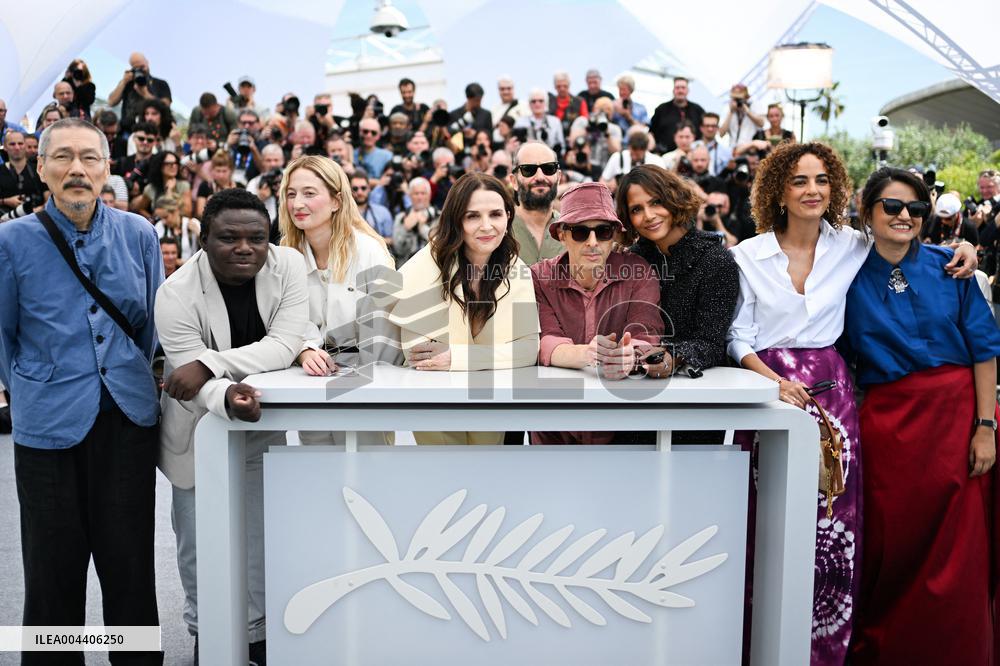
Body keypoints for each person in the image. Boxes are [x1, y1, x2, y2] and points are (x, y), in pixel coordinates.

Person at [726, 141, 979, 664]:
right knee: (761, 515)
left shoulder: (851, 245)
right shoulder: (747, 255)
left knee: (833, 525)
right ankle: (752, 641)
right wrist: (770, 381)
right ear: (778, 190)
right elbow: (738, 335)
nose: (812, 190)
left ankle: (824, 648)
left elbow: (902, 237)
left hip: (833, 395)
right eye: (799, 181)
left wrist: (966, 253)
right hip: (767, 390)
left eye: (821, 180)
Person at [0, 118, 164, 664]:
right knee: (51, 571)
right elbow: (2, 333)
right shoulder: (11, 241)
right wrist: (27, 390)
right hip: (46, 424)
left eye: (89, 158)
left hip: (126, 419)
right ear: (41, 168)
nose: (77, 169)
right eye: (63, 157)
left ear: (107, 168)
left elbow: (150, 325)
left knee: (130, 568)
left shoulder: (138, 233)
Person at [844, 167, 1000, 664]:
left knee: (960, 549)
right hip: (889, 425)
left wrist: (986, 427)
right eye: (891, 206)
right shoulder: (841, 273)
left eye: (914, 209)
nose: (904, 216)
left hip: (960, 419)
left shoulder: (951, 266)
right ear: (868, 212)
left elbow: (983, 350)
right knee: (894, 545)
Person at [156, 188, 306, 665]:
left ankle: (257, 640)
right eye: (229, 238)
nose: (245, 248)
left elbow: (285, 343)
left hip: (260, 424)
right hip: (199, 429)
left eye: (257, 238)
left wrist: (208, 362)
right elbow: (185, 381)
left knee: (260, 539)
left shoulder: (290, 267)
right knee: (199, 546)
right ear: (204, 239)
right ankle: (208, 636)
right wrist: (220, 389)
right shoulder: (175, 293)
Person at [388, 172, 539, 444]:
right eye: (472, 216)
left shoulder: (519, 272)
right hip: (436, 406)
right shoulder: (425, 266)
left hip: (492, 404)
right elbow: (421, 357)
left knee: (485, 475)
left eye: (495, 214)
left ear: (508, 217)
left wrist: (456, 358)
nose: (486, 226)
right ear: (456, 221)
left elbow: (528, 349)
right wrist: (494, 356)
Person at [279, 156, 399, 444]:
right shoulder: (285, 254)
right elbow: (284, 318)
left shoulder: (371, 250)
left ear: (336, 201)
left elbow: (388, 334)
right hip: (310, 381)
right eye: (291, 194)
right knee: (318, 471)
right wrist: (305, 350)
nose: (297, 203)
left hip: (367, 384)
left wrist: (365, 391)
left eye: (309, 193)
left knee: (367, 477)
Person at [531, 182, 663, 444]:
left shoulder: (638, 271)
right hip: (553, 426)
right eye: (580, 232)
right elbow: (543, 340)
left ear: (614, 234)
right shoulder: (539, 276)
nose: (593, 242)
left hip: (621, 428)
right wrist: (587, 354)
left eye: (602, 231)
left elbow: (647, 333)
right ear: (562, 235)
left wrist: (630, 357)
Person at [618, 164, 739, 381]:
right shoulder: (633, 259)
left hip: (702, 385)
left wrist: (670, 358)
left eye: (656, 202)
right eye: (636, 209)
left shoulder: (715, 260)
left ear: (673, 198)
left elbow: (711, 343)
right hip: (636, 382)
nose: (648, 216)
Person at [508, 142, 564, 265]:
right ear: (514, 181)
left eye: (549, 169)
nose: (540, 177)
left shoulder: (574, 231)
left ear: (559, 178)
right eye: (528, 170)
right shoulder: (500, 229)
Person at [107, 52, 172, 133]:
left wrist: (145, 94)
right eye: (136, 68)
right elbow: (111, 102)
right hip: (126, 131)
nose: (140, 71)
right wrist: (123, 82)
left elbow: (166, 107)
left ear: (147, 62)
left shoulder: (161, 84)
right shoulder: (127, 83)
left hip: (150, 133)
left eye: (142, 67)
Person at [650, 76, 705, 152]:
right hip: (665, 154)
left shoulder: (698, 110)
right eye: (677, 88)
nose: (680, 91)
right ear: (673, 90)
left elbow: (704, 132)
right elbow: (652, 132)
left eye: (683, 88)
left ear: (688, 90)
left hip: (693, 155)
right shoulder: (661, 109)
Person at [392, 176, 439, 265]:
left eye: (423, 193)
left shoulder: (440, 216)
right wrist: (406, 229)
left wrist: (422, 227)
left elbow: (439, 246)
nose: (419, 197)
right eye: (416, 193)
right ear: (409, 196)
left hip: (432, 267)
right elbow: (398, 249)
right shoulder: (401, 217)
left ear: (429, 195)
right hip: (406, 267)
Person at [600, 130, 665, 188]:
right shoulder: (618, 157)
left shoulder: (656, 161)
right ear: (629, 146)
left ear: (645, 150)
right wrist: (609, 185)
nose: (634, 157)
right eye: (631, 154)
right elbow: (602, 181)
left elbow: (664, 184)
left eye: (637, 155)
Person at [350, 168, 394, 247]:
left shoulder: (383, 212)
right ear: (349, 191)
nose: (359, 192)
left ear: (369, 189)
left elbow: (391, 240)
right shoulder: (343, 214)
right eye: (355, 189)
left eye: (363, 188)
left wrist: (370, 240)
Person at [513, 89, 565, 154]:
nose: (537, 104)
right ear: (529, 104)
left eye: (541, 101)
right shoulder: (520, 122)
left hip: (550, 158)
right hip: (527, 157)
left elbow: (562, 146)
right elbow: (515, 145)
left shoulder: (555, 121)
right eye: (533, 101)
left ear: (546, 103)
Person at [152, 193, 201, 262]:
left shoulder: (193, 223)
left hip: (192, 268)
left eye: (165, 217)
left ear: (176, 211)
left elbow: (207, 248)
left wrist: (198, 234)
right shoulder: (159, 226)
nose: (163, 221)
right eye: (161, 218)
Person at [142, 150, 191, 215]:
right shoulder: (150, 188)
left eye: (176, 163)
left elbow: (187, 212)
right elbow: (141, 208)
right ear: (159, 166)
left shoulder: (184, 185)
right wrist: (150, 219)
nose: (174, 166)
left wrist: (170, 191)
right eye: (169, 164)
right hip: (158, 224)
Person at [195, 150, 239, 218]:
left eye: (224, 171)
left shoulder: (239, 187)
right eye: (218, 171)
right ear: (212, 170)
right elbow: (200, 213)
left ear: (231, 170)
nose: (221, 175)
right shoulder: (205, 186)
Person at [721, 83, 764, 150]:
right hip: (734, 150)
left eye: (739, 99)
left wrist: (747, 111)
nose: (737, 102)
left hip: (750, 150)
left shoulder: (754, 106)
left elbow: (761, 123)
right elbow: (721, 134)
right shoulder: (731, 112)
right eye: (734, 98)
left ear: (747, 98)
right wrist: (731, 112)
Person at [548, 72, 588, 137]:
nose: (562, 89)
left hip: (575, 137)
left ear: (569, 85)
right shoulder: (549, 102)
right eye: (559, 86)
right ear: (555, 87)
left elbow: (585, 121)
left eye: (565, 86)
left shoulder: (579, 101)